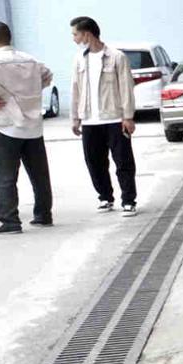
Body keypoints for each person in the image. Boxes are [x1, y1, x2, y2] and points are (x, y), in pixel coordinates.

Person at [0, 21, 54, 234]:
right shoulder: (30, 59)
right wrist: (32, 92)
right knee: (39, 175)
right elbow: (47, 75)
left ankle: (10, 220)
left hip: (5, 123)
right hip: (33, 124)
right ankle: (43, 215)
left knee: (5, 176)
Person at [69, 16, 139, 216]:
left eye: (75, 34)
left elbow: (126, 87)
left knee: (123, 161)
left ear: (86, 34)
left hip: (114, 118)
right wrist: (75, 118)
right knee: (94, 162)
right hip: (90, 120)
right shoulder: (79, 59)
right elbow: (75, 89)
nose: (74, 38)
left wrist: (128, 117)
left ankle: (128, 200)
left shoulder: (117, 57)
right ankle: (105, 197)